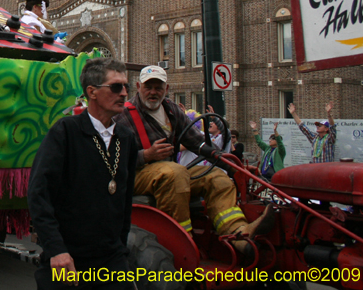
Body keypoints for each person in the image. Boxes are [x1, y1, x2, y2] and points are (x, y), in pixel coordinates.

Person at [113, 65, 274, 257]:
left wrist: (231, 166)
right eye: (148, 87)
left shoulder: (171, 110)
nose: (153, 92)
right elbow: (113, 160)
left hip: (170, 172)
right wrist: (146, 155)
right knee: (174, 173)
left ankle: (237, 234)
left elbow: (197, 142)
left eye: (158, 87)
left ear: (167, 88)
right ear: (138, 87)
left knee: (216, 177)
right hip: (136, 175)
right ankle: (184, 245)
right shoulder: (121, 116)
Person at [29, 58, 138, 289]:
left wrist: (121, 247)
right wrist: (56, 249)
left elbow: (124, 200)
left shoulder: (126, 138)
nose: (124, 93)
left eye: (127, 87)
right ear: (92, 92)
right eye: (116, 87)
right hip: (68, 259)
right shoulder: (65, 132)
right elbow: (39, 194)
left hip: (111, 259)